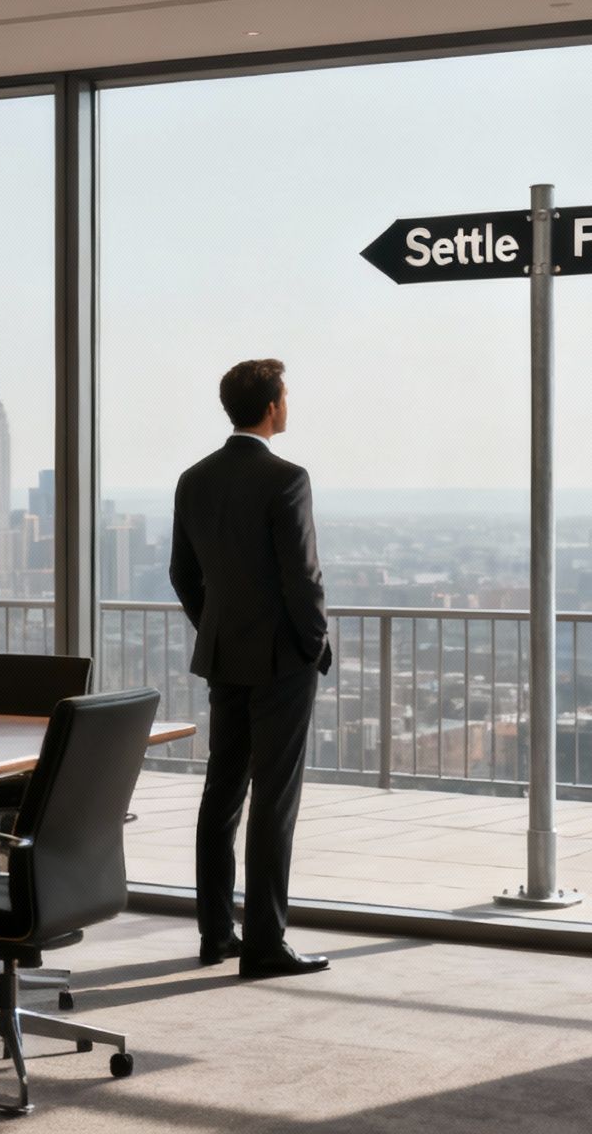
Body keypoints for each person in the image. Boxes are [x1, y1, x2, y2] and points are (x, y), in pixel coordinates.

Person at [169, 358, 332, 979]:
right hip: (280, 661)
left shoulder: (194, 478)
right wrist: (313, 645)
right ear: (270, 407)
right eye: (285, 395)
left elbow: (183, 574)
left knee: (222, 794)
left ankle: (216, 934)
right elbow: (302, 577)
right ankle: (265, 943)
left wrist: (216, 628)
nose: (287, 404)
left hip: (224, 656)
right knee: (274, 800)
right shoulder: (286, 478)